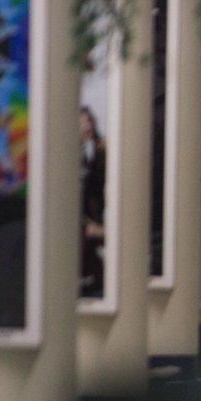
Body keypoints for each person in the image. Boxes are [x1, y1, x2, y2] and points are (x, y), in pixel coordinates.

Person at [80, 105, 107, 299]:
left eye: (91, 121)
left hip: (92, 222)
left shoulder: (97, 151)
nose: (89, 125)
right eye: (84, 120)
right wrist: (89, 226)